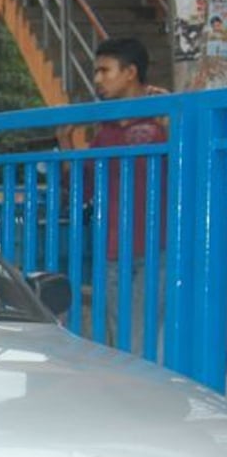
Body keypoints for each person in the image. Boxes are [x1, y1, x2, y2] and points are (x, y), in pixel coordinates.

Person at [55, 37, 167, 353]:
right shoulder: (104, 132)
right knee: (125, 343)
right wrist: (66, 143)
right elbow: (83, 192)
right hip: (113, 252)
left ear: (130, 72)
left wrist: (175, 120)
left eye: (105, 71)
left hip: (156, 252)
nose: (97, 80)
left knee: (145, 343)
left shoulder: (161, 121)